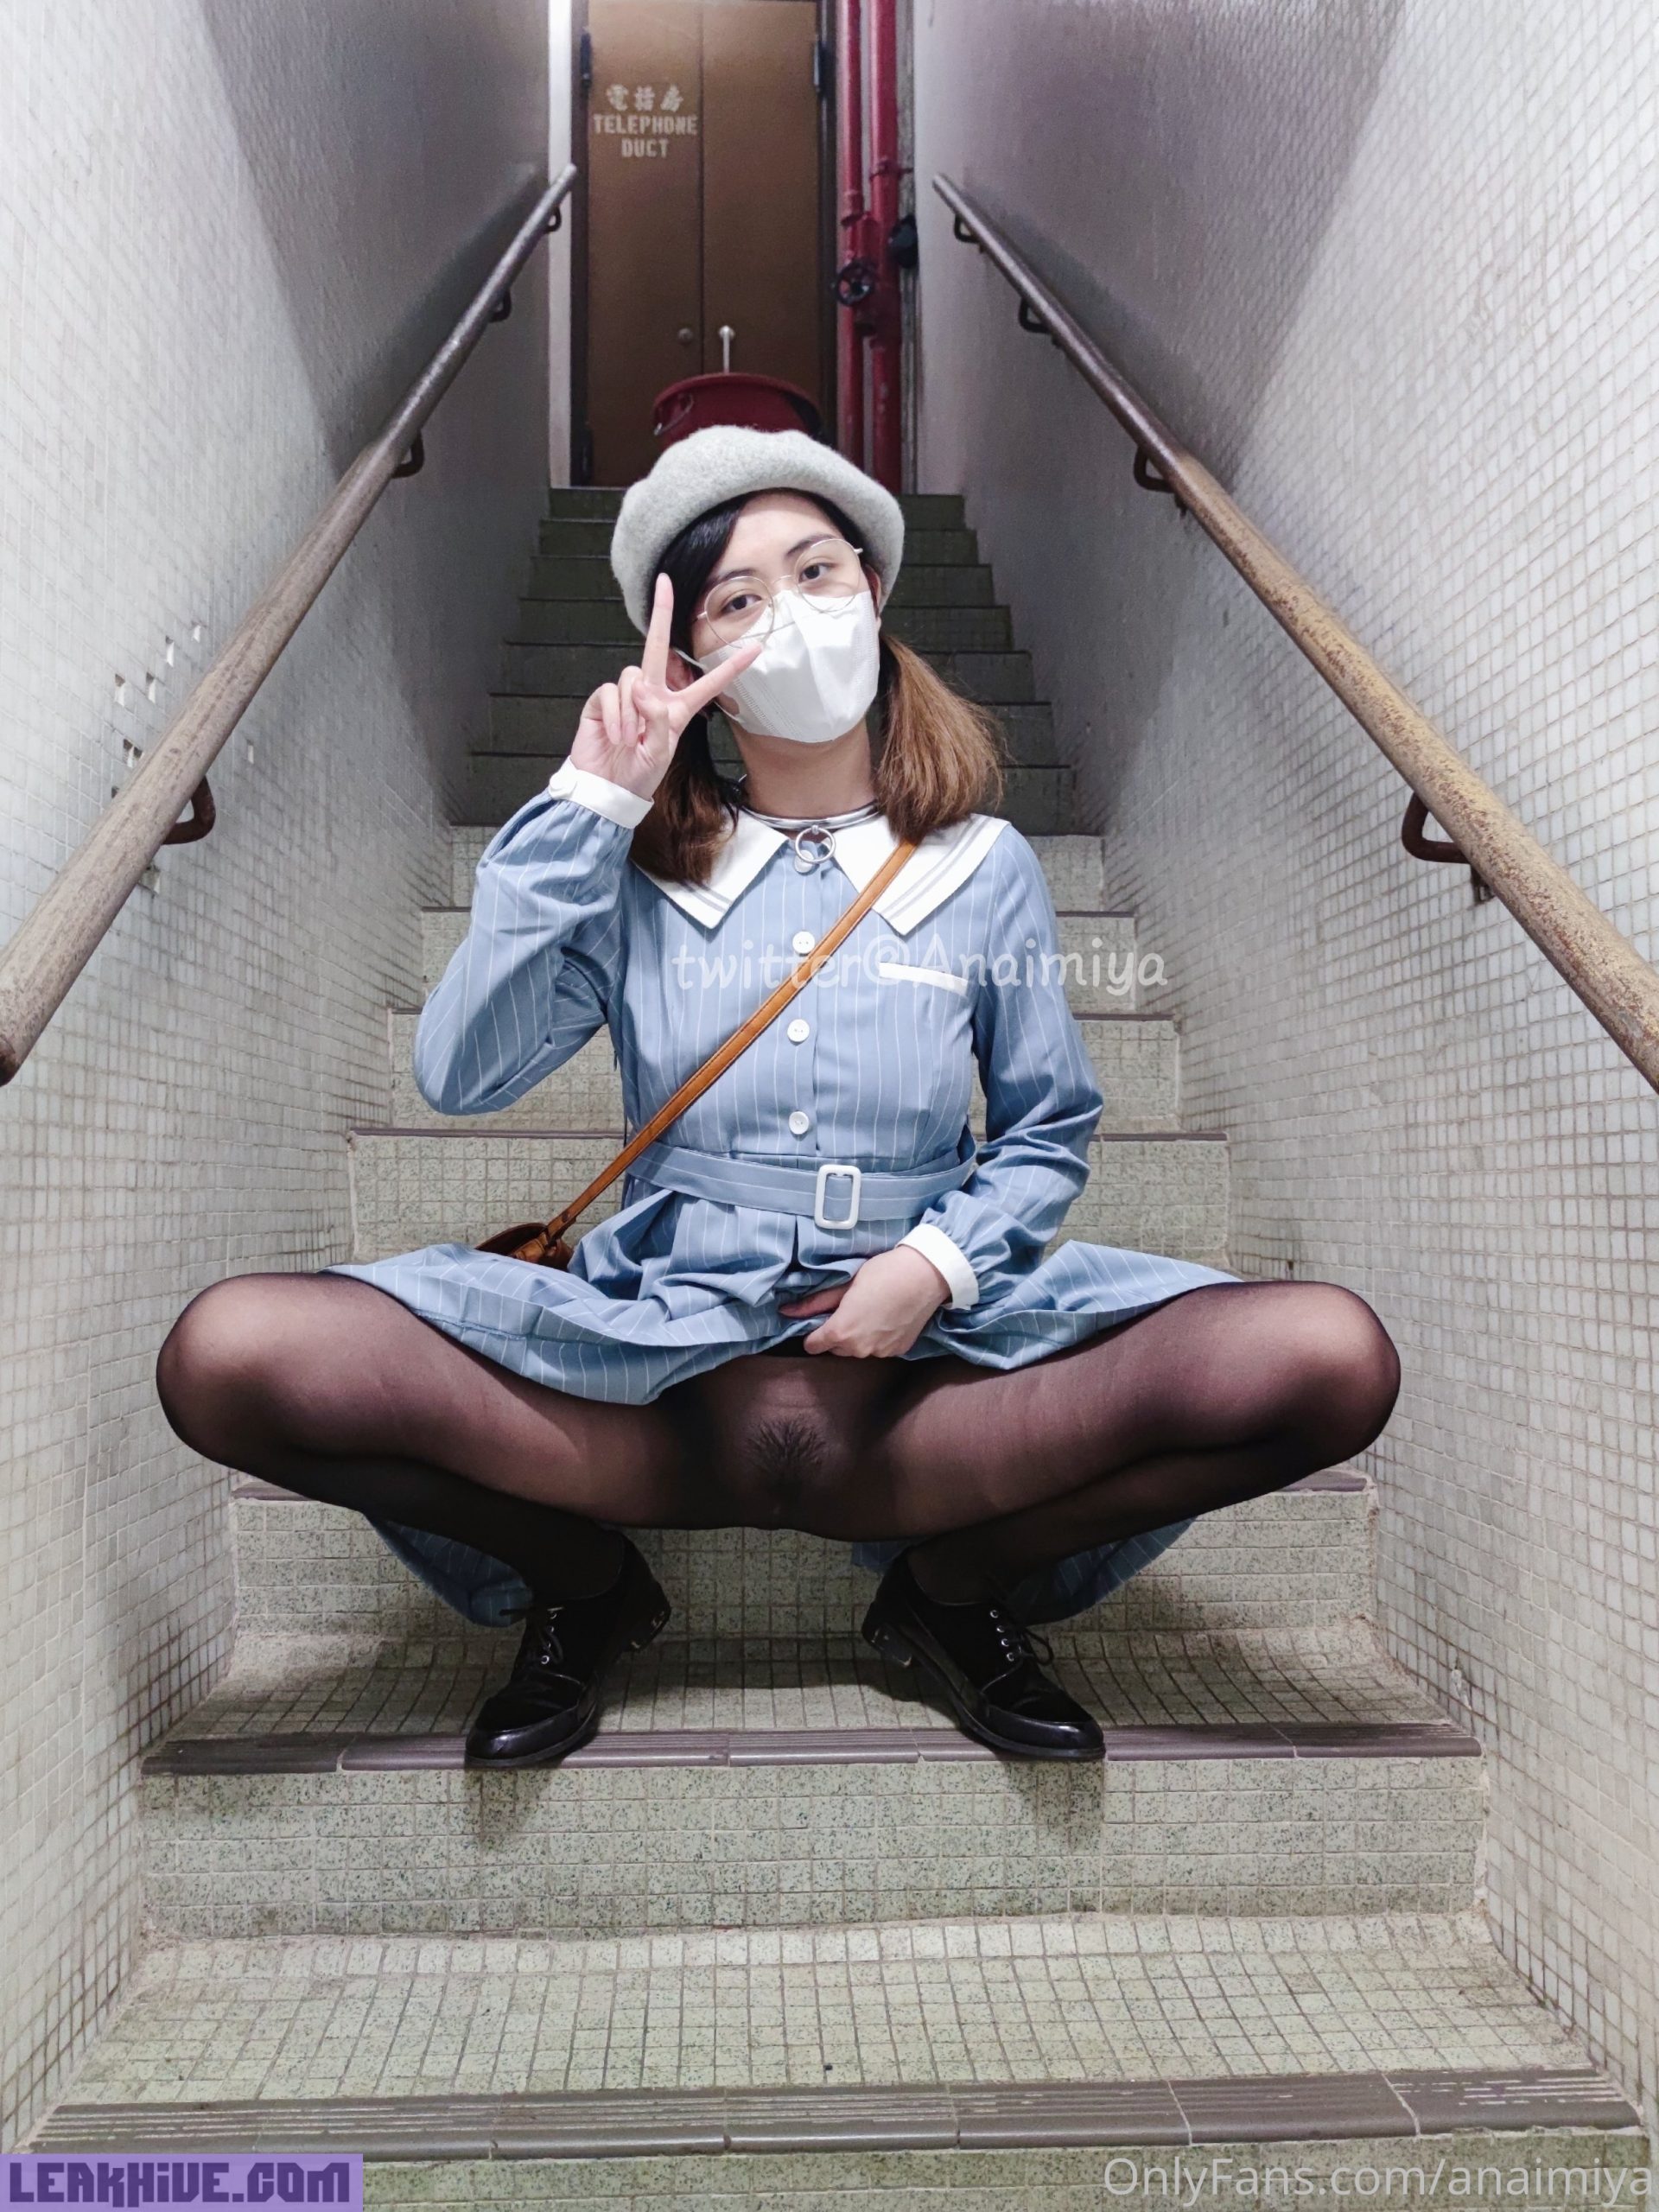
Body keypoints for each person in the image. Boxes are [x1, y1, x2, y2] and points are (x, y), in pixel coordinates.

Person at [155, 428, 1399, 1770]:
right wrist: (590, 804)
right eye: (738, 600)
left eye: (817, 573)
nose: (791, 616)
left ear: (874, 591)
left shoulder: (983, 867)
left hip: (930, 1389)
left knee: (1325, 1359)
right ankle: (582, 1584)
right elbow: (457, 1072)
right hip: (655, 1383)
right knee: (233, 1357)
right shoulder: (628, 870)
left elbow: (1047, 1131)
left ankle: (954, 1590)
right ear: (686, 661)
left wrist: (934, 1266)